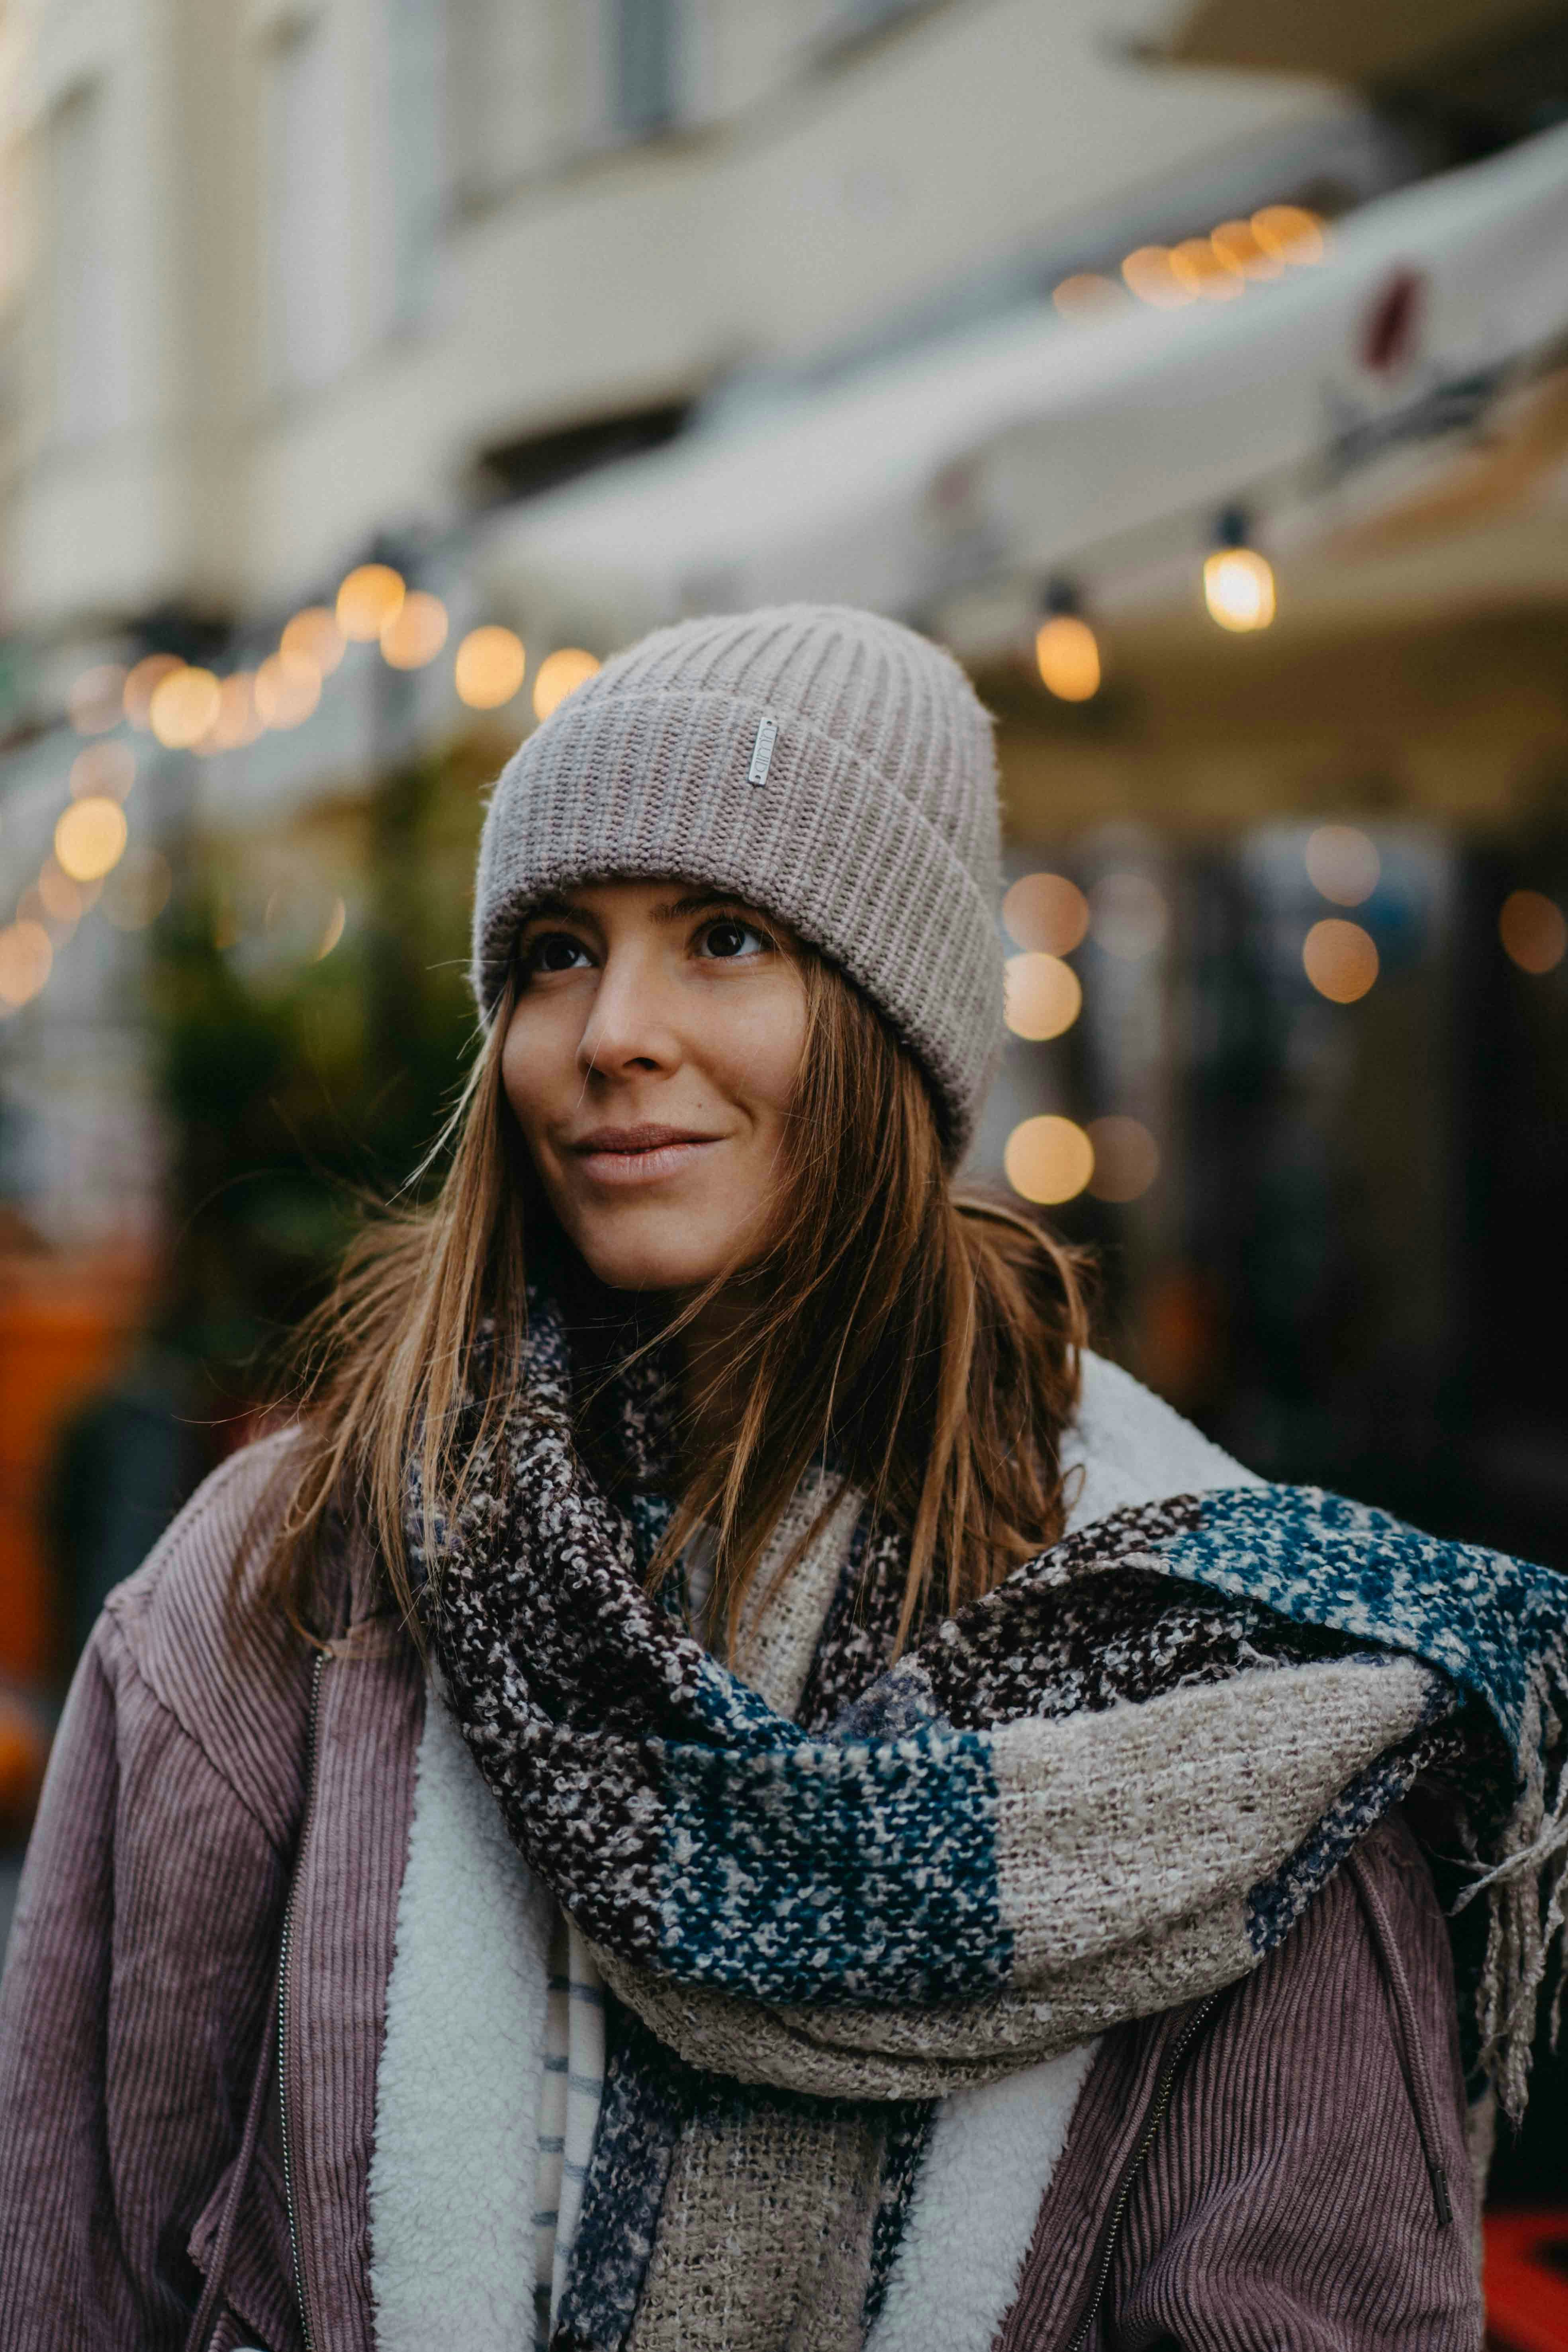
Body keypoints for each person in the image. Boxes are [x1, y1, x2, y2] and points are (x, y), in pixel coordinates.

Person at [0, 604, 1561, 2352]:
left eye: (724, 937)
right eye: (554, 953)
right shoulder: (295, 1578)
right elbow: (77, 2268)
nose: (610, 1031)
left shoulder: (1219, 1702)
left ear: (897, 1024)